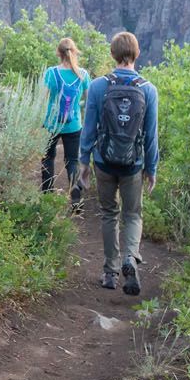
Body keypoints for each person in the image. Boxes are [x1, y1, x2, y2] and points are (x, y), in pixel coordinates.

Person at [80, 31, 158, 296]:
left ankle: (110, 273)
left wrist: (83, 162)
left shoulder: (99, 86)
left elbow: (88, 128)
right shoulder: (148, 90)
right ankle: (130, 258)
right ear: (137, 54)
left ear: (112, 54)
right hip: (132, 165)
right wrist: (151, 168)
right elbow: (151, 134)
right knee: (133, 214)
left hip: (103, 161)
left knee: (109, 213)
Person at [41, 38, 90, 210]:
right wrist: (77, 106)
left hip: (51, 124)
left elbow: (42, 99)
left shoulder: (50, 73)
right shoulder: (83, 74)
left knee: (47, 158)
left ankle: (47, 198)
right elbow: (88, 101)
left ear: (58, 53)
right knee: (72, 161)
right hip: (74, 125)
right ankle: (76, 200)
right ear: (74, 52)